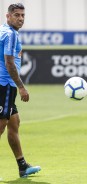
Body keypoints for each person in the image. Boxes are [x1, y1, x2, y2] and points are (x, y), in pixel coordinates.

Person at [0, 3, 41, 178]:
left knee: (14, 123)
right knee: (1, 126)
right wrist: (21, 87)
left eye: (23, 15)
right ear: (8, 16)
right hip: (5, 85)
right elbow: (9, 62)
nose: (21, 18)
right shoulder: (10, 34)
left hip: (5, 85)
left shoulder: (5, 31)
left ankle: (22, 165)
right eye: (16, 15)